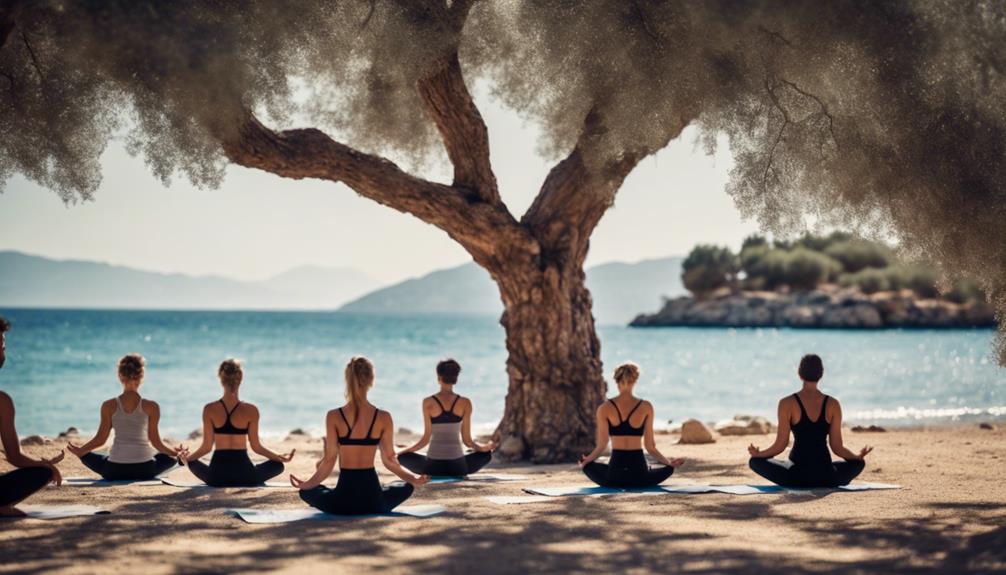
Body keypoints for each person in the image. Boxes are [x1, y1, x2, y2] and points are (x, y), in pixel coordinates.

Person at [291, 356, 429, 515]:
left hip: (343, 503)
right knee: (406, 486)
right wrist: (414, 479)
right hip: (373, 501)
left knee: (307, 492)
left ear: (347, 379)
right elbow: (390, 460)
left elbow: (329, 460)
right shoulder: (383, 417)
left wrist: (307, 485)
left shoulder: (334, 416)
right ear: (371, 380)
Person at [748, 354, 872, 488]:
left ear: (799, 374)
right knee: (859, 464)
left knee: (754, 462)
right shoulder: (833, 404)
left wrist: (759, 455)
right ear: (821, 374)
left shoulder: (786, 403)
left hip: (796, 477)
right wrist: (856, 457)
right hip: (826, 476)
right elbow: (837, 447)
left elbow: (780, 446)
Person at [177, 359, 294, 486]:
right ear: (241, 377)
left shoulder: (209, 409)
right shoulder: (251, 410)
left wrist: (186, 459)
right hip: (246, 476)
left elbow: (206, 448)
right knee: (278, 465)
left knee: (191, 461)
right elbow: (256, 447)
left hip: (216, 477)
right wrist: (279, 456)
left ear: (220, 379)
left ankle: (184, 459)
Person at [66, 354, 180, 480]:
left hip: (114, 470)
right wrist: (176, 454)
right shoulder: (152, 406)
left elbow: (100, 439)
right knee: (169, 457)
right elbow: (156, 443)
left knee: (89, 456)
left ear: (120, 376)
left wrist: (81, 451)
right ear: (142, 376)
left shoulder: (108, 405)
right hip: (145, 470)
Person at [579, 362, 684, 488]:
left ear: (616, 381)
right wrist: (669, 464)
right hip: (639, 476)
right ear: (635, 381)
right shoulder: (646, 407)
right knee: (665, 469)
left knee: (588, 467)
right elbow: (650, 447)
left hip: (614, 477)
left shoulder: (604, 409)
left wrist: (586, 461)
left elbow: (602, 445)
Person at [0, 316, 63, 516]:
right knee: (42, 473)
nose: (3, 353)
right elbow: (15, 457)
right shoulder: (2, 401)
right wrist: (46, 466)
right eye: (2, 346)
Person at [397, 359, 496, 477]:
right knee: (486, 455)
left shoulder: (428, 402)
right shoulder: (465, 403)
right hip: (458, 467)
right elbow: (468, 441)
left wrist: (403, 451)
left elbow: (425, 440)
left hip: (432, 467)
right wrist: (484, 448)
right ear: (456, 379)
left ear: (439, 377)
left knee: (402, 457)